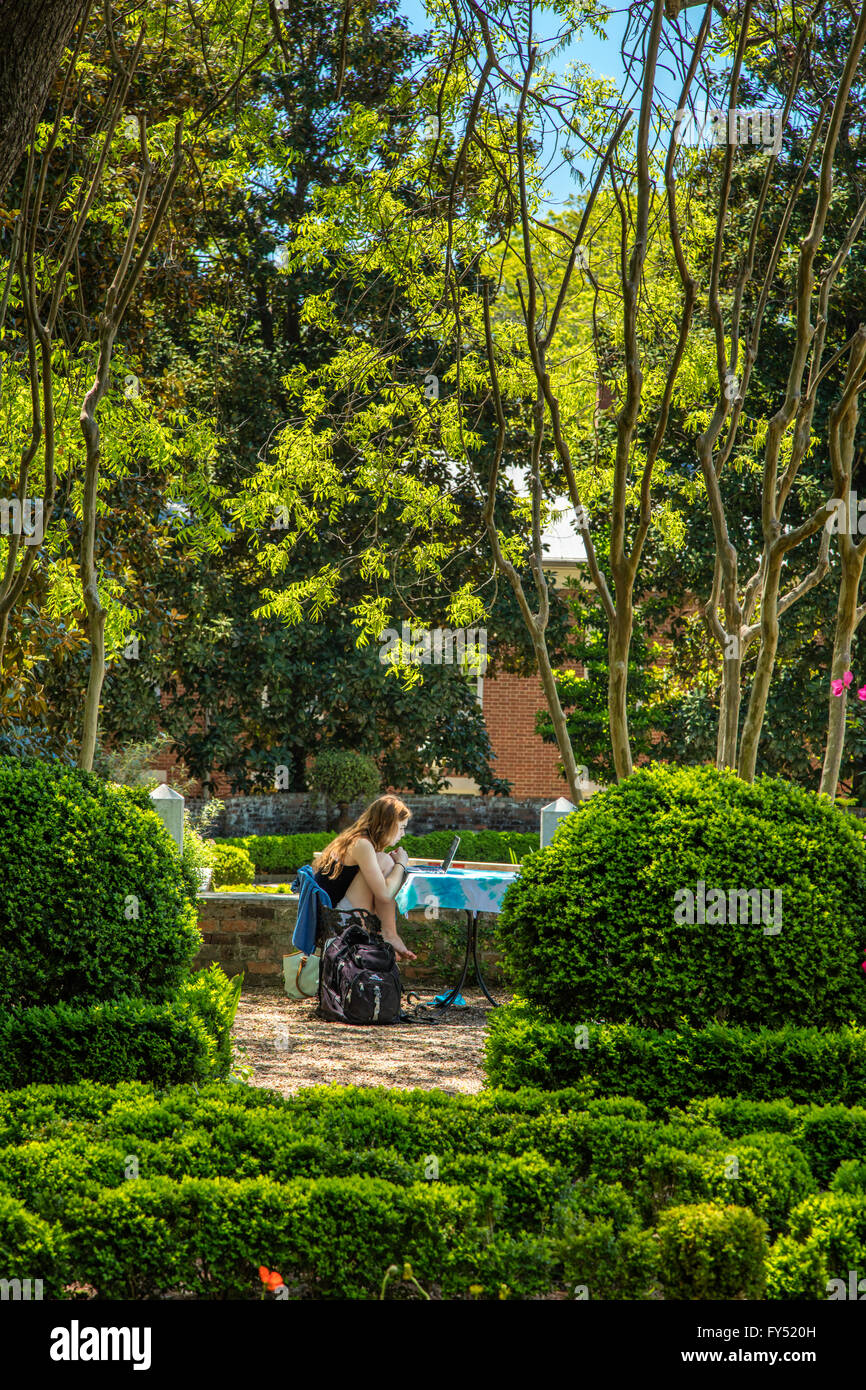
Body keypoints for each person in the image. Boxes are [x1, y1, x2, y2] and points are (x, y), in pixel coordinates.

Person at [313, 794, 417, 961]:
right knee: (385, 861)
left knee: (384, 861)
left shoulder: (361, 841)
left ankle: (387, 933)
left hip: (336, 915)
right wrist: (401, 864)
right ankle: (389, 933)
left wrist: (395, 864)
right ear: (387, 824)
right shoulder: (362, 844)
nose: (403, 834)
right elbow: (384, 894)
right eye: (401, 828)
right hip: (336, 922)